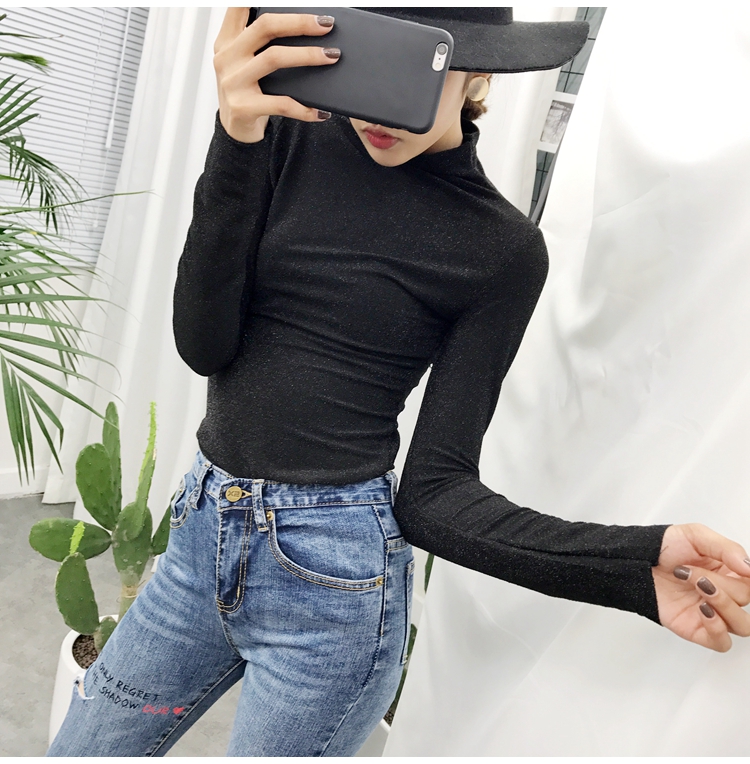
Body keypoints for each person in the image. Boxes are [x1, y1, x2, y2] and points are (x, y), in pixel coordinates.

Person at [48, 8, 750, 758]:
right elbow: (203, 344)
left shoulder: (499, 248)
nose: (376, 111)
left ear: (478, 72)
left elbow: (435, 497)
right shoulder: (285, 137)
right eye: (367, 62)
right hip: (198, 543)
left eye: (419, 68)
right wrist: (236, 138)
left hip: (331, 595)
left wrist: (633, 567)